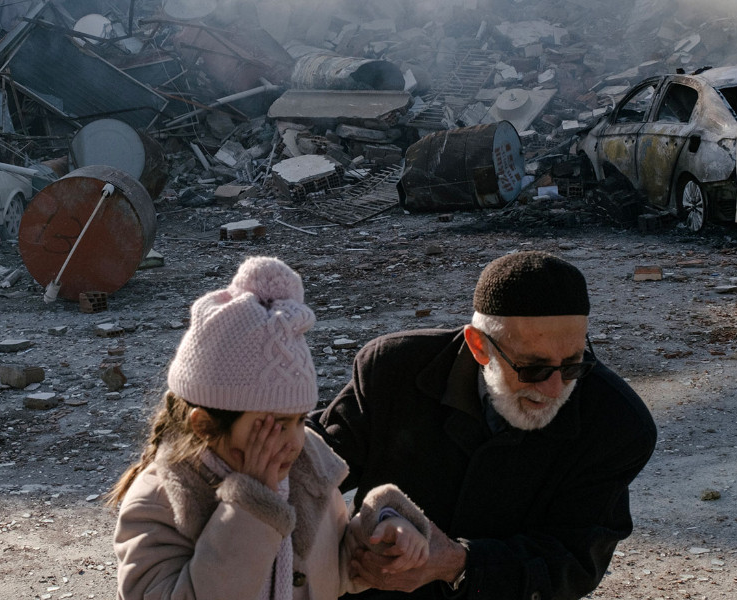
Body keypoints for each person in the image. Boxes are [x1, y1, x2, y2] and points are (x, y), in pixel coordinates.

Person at [313, 251, 658, 599]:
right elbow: (311, 457)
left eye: (572, 365)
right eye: (533, 369)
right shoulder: (393, 371)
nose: (554, 389)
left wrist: (457, 564)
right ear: (479, 346)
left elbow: (571, 562)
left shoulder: (617, 424)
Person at [111, 256, 433, 600]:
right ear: (205, 425)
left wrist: (380, 532)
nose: (294, 440)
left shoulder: (307, 475)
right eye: (273, 425)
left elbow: (330, 572)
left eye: (298, 419)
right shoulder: (161, 503)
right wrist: (251, 507)